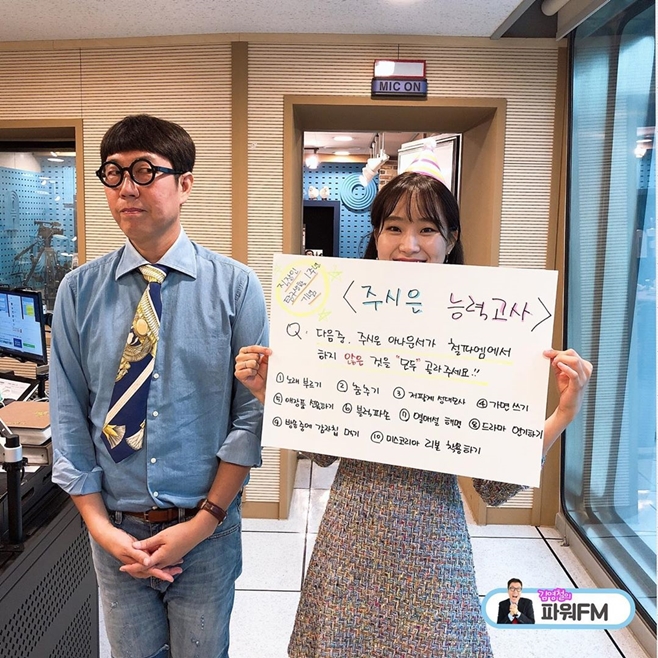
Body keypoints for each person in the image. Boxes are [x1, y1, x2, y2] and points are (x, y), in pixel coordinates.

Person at [235, 156, 592, 657]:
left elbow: (494, 487)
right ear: (376, 236)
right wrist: (272, 394)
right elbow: (321, 454)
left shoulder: (486, 329)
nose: (409, 245)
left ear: (451, 239)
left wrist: (561, 415)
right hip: (351, 532)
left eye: (427, 229)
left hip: (435, 540)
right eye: (394, 228)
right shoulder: (343, 318)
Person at [50, 114, 268, 658]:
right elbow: (68, 414)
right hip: (116, 531)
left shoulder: (236, 287)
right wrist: (100, 528)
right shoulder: (78, 291)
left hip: (206, 530)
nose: (127, 188)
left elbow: (250, 416)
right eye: (114, 173)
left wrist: (204, 522)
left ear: (185, 184)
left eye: (145, 171)